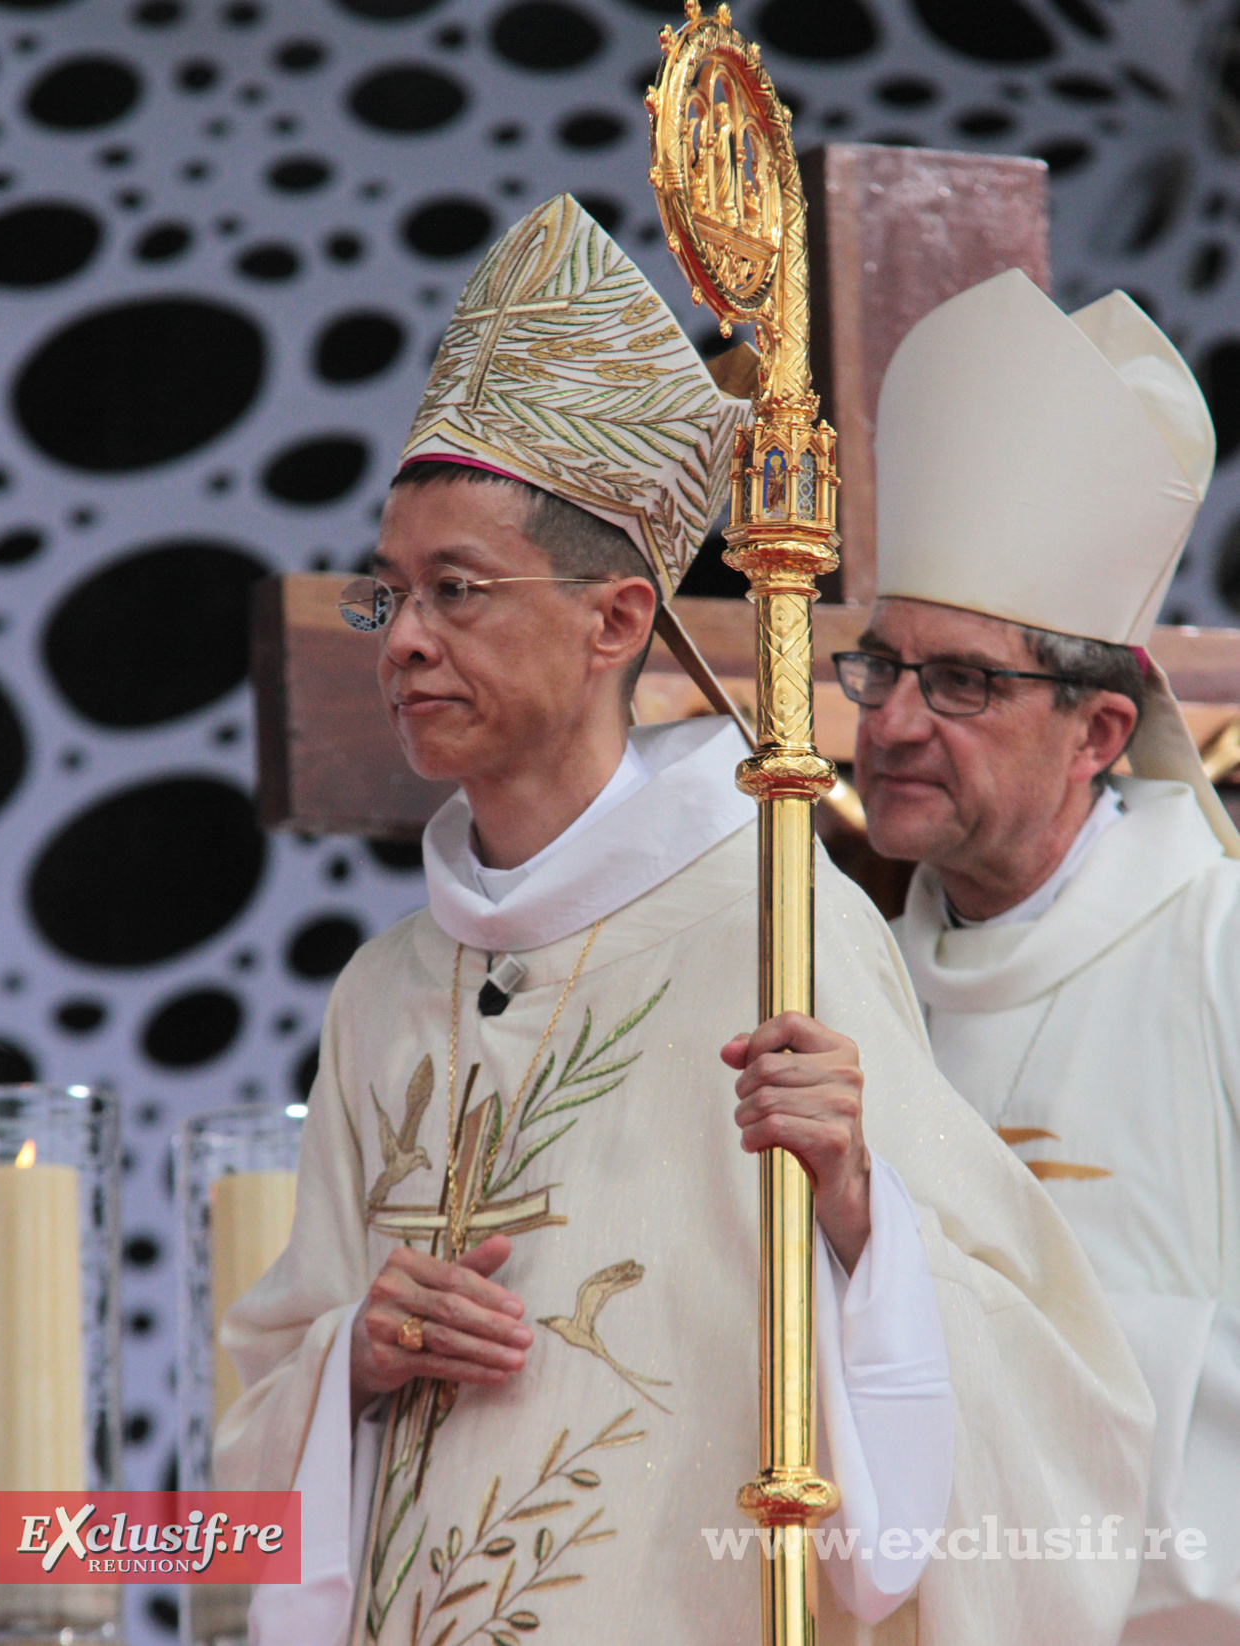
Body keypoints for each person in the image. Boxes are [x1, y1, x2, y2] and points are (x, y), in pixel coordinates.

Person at [216, 198, 1152, 1646]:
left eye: (456, 591)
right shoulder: (384, 990)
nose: (402, 639)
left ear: (614, 623)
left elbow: (1046, 1391)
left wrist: (857, 1214)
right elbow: (258, 1426)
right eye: (387, 595)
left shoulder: (777, 928)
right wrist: (353, 1356)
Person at [847, 267, 1240, 1643]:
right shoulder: (843, 990)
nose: (893, 719)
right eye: (879, 666)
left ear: (1097, 732)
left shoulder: (1220, 951)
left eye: (960, 681)